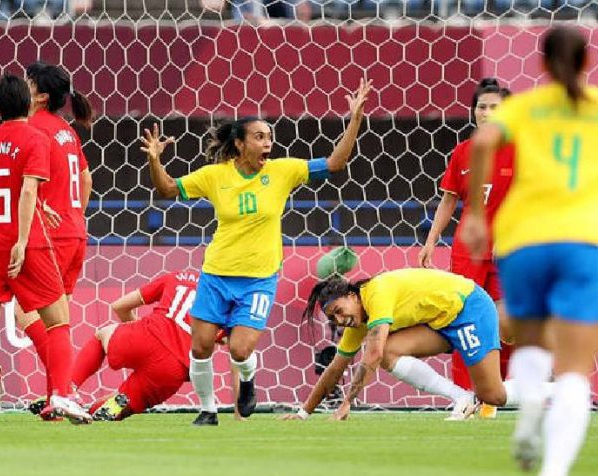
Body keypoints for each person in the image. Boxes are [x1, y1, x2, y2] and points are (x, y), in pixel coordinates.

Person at [141, 78, 371, 425]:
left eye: (270, 137)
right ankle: (207, 411)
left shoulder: (283, 170)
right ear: (239, 143)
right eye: (259, 137)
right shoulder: (215, 175)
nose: (268, 144)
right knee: (201, 346)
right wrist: (155, 161)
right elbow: (169, 189)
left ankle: (247, 382)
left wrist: (354, 119)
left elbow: (335, 163)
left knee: (240, 349)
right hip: (217, 274)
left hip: (259, 279)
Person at [461, 26, 598, 476]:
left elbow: (481, 143)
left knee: (531, 340)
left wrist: (477, 216)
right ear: (585, 63)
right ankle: (554, 475)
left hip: (524, 241)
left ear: (541, 64)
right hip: (583, 241)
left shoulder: (523, 108)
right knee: (576, 368)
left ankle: (529, 413)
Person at [0, 73, 90, 425]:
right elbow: (29, 192)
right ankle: (62, 395)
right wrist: (21, 240)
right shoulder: (37, 138)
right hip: (30, 242)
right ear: (27, 101)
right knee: (59, 322)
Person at [282, 269, 552, 422]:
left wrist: (347, 402)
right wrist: (303, 412)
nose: (341, 320)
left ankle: (561, 389)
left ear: (353, 295)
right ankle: (461, 397)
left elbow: (372, 353)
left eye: (340, 310)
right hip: (440, 322)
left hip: (469, 308)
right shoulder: (358, 321)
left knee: (494, 396)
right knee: (388, 351)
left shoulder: (376, 293)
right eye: (333, 318)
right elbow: (335, 368)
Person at [419, 78, 514, 419]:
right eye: (482, 107)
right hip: (467, 251)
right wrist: (431, 241)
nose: (487, 113)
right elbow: (448, 200)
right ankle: (465, 399)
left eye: (495, 107)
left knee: (506, 326)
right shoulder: (463, 151)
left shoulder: (521, 150)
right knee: (465, 323)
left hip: (509, 253)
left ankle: (496, 396)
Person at [12, 61, 93, 418]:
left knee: (23, 312)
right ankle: (56, 399)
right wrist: (74, 212)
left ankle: (65, 389)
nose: (22, 87)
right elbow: (87, 179)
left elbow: (29, 184)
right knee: (57, 319)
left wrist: (46, 210)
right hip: (75, 231)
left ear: (41, 96)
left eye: (28, 84)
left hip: (52, 234)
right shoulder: (66, 131)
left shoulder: (33, 128)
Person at [70, 270, 239, 421]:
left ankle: (68, 389)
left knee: (102, 336)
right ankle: (108, 406)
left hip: (147, 336)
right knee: (123, 399)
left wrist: (138, 334)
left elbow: (119, 306)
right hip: (174, 369)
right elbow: (233, 351)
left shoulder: (177, 277)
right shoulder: (229, 302)